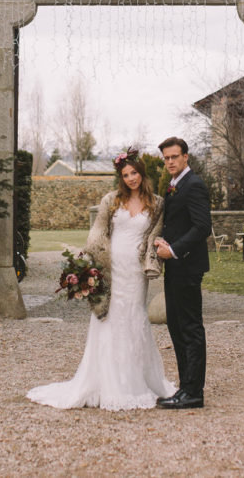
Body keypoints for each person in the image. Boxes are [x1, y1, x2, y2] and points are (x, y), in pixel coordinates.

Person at [26, 148, 176, 410]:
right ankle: (105, 381)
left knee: (133, 316)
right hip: (111, 266)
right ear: (121, 177)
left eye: (134, 173)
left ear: (142, 174)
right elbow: (97, 233)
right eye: (126, 174)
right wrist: (87, 266)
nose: (131, 178)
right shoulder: (111, 200)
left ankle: (135, 381)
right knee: (108, 317)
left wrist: (154, 260)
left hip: (135, 271)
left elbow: (155, 235)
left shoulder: (157, 203)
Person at [154, 136, 211, 410]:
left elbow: (201, 227)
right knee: (176, 327)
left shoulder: (194, 185)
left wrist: (174, 250)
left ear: (186, 156)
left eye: (174, 156)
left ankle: (194, 393)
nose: (170, 162)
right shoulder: (174, 186)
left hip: (187, 266)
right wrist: (163, 242)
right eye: (166, 158)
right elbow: (177, 223)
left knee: (190, 327)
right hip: (174, 267)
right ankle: (185, 387)